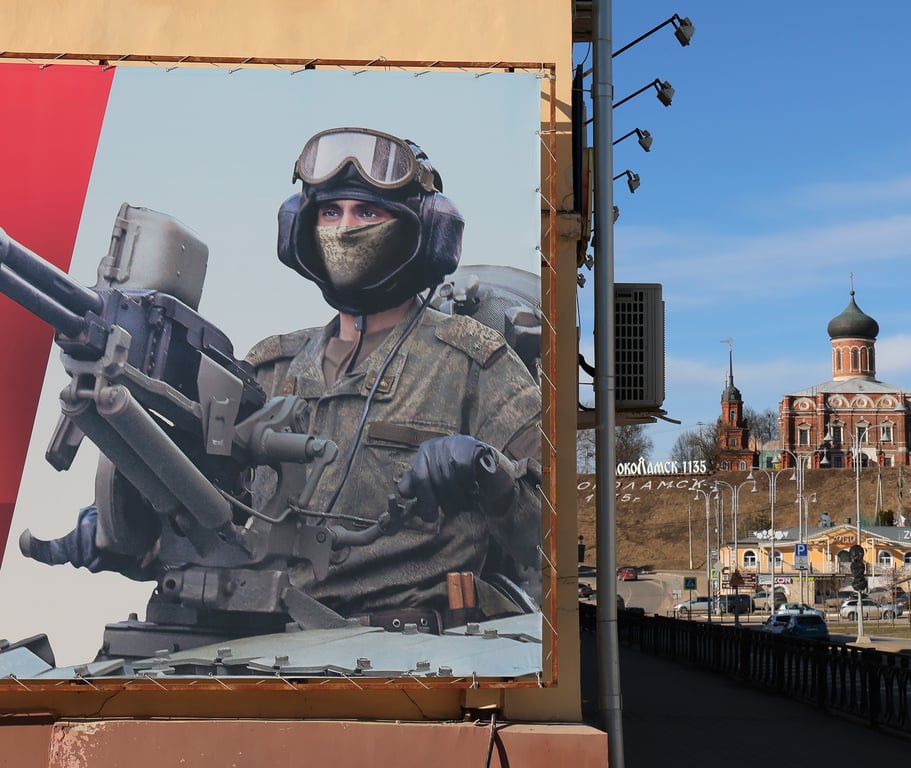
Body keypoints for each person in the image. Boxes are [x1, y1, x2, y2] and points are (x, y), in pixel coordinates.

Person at [23, 127, 542, 634]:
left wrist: (486, 472)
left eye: (367, 212)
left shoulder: (473, 364)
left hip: (405, 658)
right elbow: (220, 520)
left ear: (423, 231)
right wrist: (120, 528)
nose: (344, 228)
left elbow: (550, 537)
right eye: (329, 212)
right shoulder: (267, 368)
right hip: (253, 648)